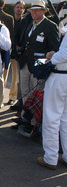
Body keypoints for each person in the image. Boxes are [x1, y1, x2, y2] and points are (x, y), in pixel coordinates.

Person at [19, 0, 59, 104]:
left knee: (36, 92)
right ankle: (25, 116)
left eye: (37, 10)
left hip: (38, 66)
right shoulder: (31, 24)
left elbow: (55, 48)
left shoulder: (50, 26)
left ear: (43, 11)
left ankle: (34, 120)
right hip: (25, 63)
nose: (34, 13)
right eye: (32, 10)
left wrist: (48, 56)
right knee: (24, 91)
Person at [37, 30, 67, 170]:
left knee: (52, 118)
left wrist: (52, 56)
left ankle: (50, 158)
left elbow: (65, 53)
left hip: (60, 76)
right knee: (65, 119)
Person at [7, 0, 26, 105]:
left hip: (16, 53)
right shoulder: (9, 19)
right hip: (6, 50)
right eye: (17, 7)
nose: (19, 9)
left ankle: (12, 97)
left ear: (23, 10)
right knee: (3, 75)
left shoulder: (24, 21)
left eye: (21, 7)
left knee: (15, 76)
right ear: (14, 8)